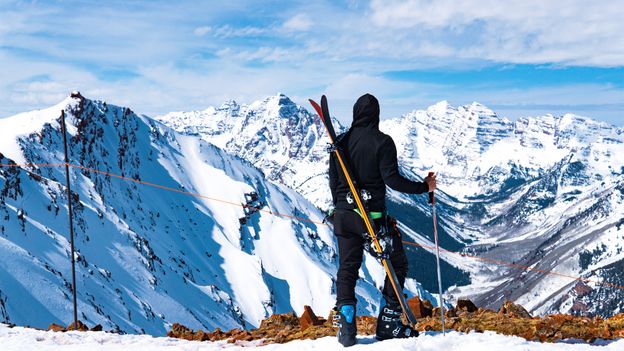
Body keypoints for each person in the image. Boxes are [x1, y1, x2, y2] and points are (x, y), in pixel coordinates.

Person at [329, 93, 436, 347]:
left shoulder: (339, 144)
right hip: (372, 218)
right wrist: (425, 187)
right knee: (397, 262)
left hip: (343, 215)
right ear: (376, 115)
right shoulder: (383, 142)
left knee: (348, 268)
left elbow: (334, 184)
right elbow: (392, 180)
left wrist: (340, 209)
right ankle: (389, 322)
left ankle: (346, 326)